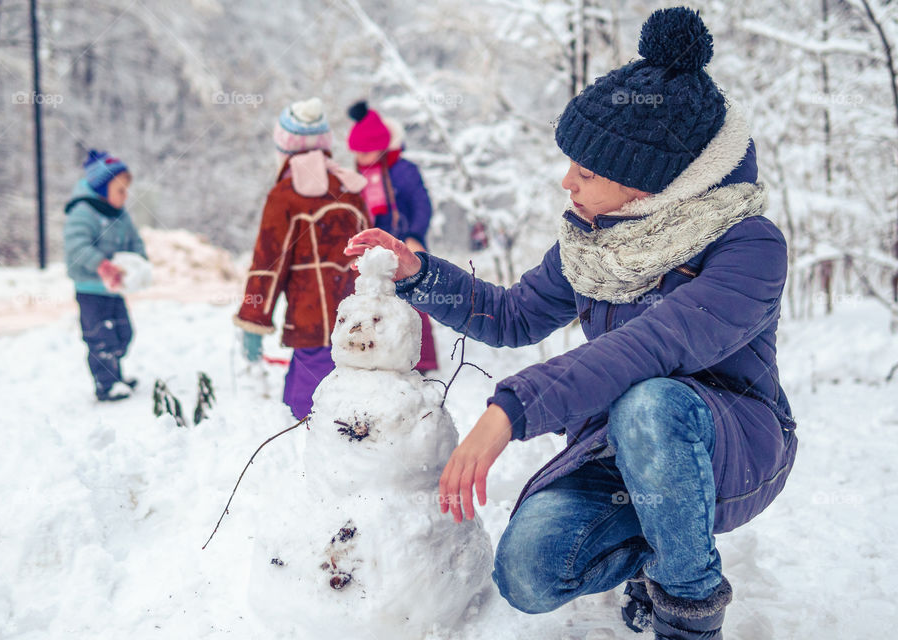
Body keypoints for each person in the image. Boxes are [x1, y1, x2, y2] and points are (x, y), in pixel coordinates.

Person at [345, 8, 797, 639]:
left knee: (651, 403)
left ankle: (688, 610)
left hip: (729, 446)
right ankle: (660, 545)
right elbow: (512, 314)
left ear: (648, 185)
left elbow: (655, 344)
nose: (567, 182)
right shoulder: (596, 245)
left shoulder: (748, 246)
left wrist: (511, 410)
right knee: (528, 575)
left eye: (586, 172)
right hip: (614, 447)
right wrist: (419, 272)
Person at [234, 97, 369, 419]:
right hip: (356, 321)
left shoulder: (285, 195)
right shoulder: (350, 187)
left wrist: (253, 321)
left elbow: (268, 264)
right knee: (337, 400)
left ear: (284, 148)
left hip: (311, 324)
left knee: (308, 415)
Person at [346, 101, 438, 372]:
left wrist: (413, 234)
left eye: (367, 152)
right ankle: (378, 356)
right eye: (358, 153)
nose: (361, 158)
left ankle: (421, 360)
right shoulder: (361, 175)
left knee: (413, 300)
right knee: (375, 301)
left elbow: (422, 204)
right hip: (372, 251)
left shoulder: (404, 171)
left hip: (404, 243)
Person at [64, 149, 146, 402]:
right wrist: (101, 265)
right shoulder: (82, 212)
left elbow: (135, 241)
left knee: (123, 333)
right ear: (101, 189)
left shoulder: (121, 216)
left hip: (114, 289)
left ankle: (116, 376)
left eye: (126, 190)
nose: (125, 196)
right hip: (90, 288)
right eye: (120, 190)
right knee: (100, 337)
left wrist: (139, 262)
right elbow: (76, 247)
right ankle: (106, 384)